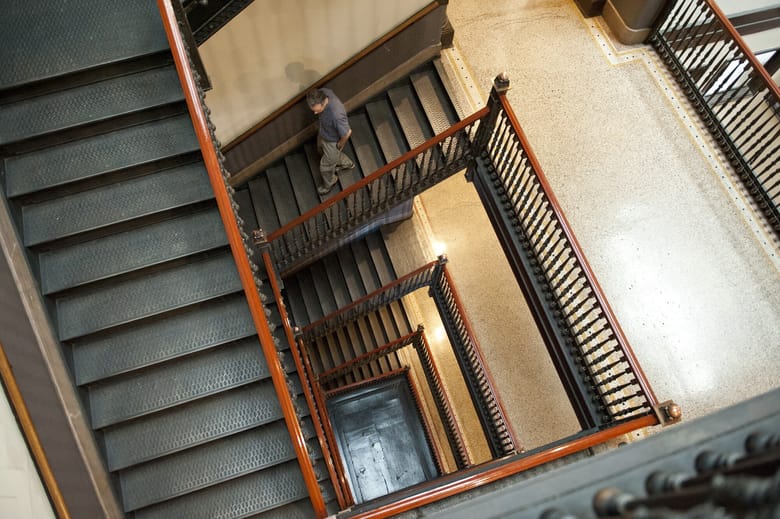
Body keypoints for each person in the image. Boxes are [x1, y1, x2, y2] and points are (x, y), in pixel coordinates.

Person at [306, 88, 355, 194]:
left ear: (323, 103)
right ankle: (347, 163)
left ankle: (330, 182)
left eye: (317, 110)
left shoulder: (336, 115)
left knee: (325, 167)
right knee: (322, 151)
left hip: (332, 141)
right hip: (324, 133)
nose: (315, 113)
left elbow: (347, 132)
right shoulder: (324, 92)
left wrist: (339, 146)